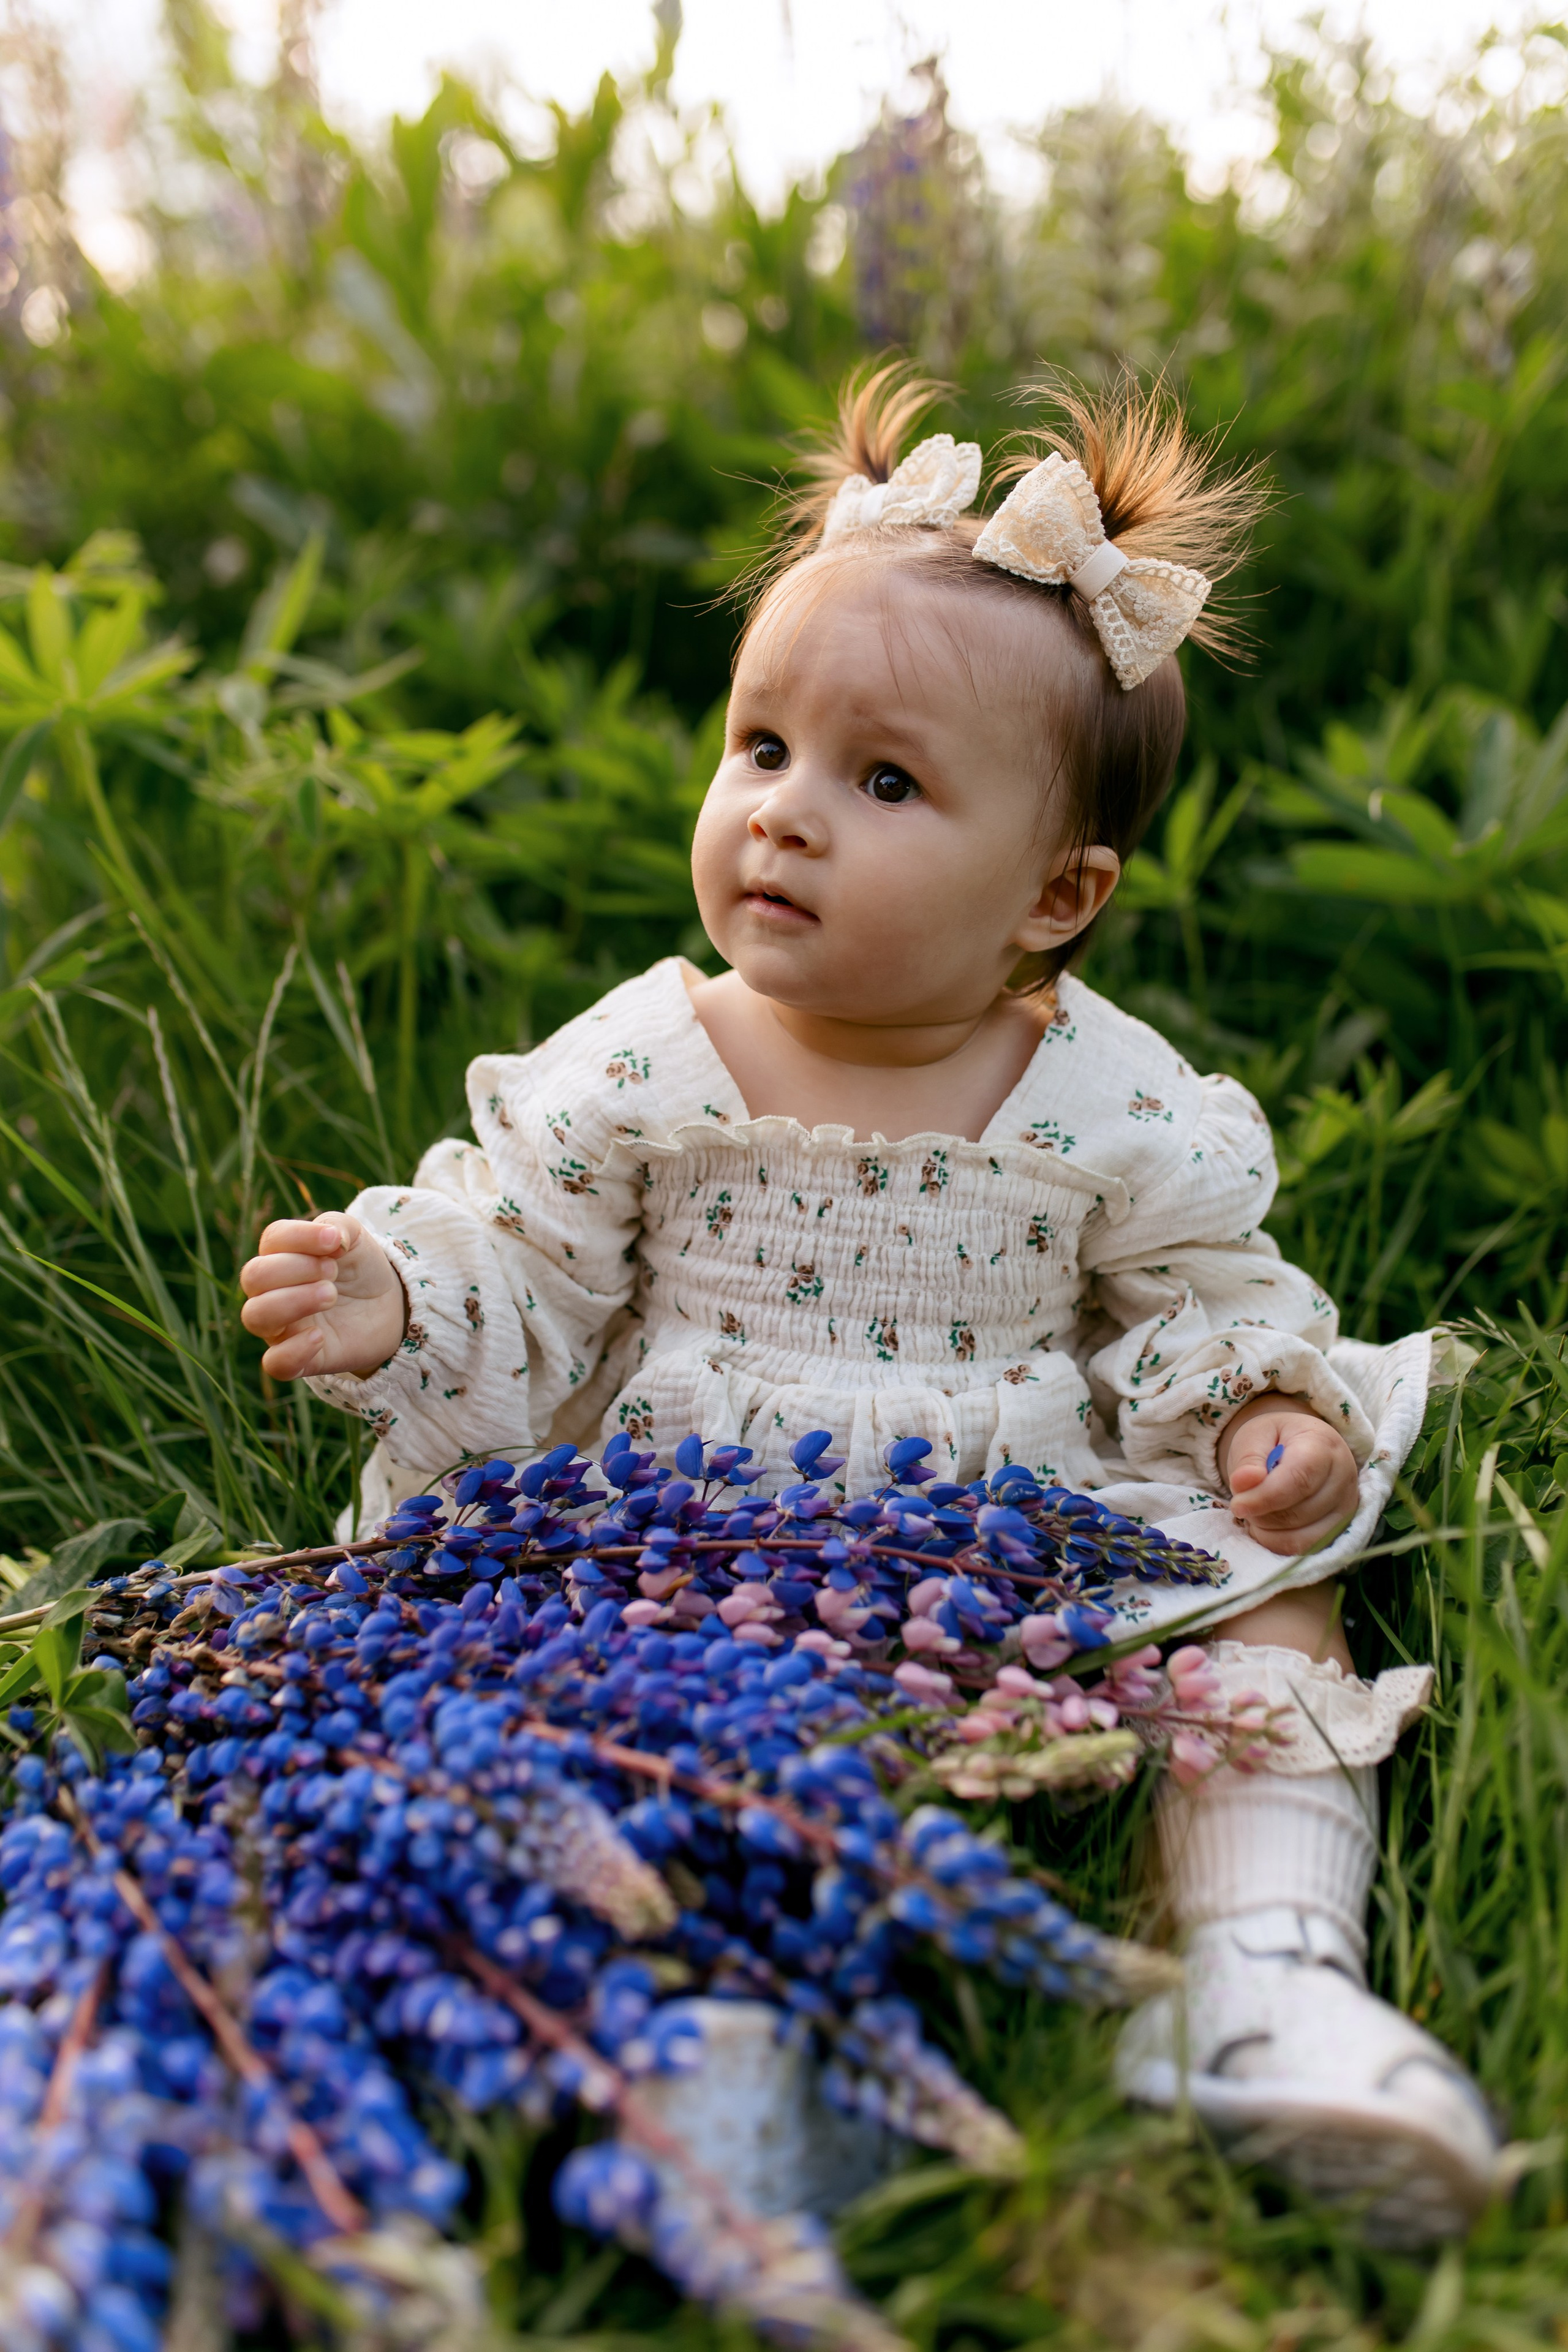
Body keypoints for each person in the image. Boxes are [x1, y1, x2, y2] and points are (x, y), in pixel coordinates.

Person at [238, 368, 1498, 2242]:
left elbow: (1190, 1289)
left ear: (1057, 894)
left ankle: (1263, 1973)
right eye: (762, 750)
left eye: (884, 781)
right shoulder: (658, 1055)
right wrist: (404, 1292)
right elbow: (535, 1259)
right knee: (554, 1707)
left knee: (1264, 1611)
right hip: (689, 1540)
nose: (789, 817)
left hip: (1014, 1527)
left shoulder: (1107, 1096)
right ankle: (699, 2040)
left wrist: (1256, 1416)